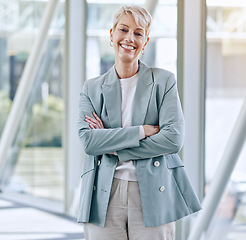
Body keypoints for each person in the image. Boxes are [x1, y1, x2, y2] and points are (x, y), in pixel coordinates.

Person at [77, 5, 201, 240]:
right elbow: (89, 141)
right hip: (103, 192)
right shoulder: (91, 89)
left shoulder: (164, 81)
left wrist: (112, 145)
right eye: (123, 29)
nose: (129, 38)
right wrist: (141, 131)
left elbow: (173, 139)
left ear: (145, 43)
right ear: (112, 34)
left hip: (153, 192)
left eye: (138, 33)